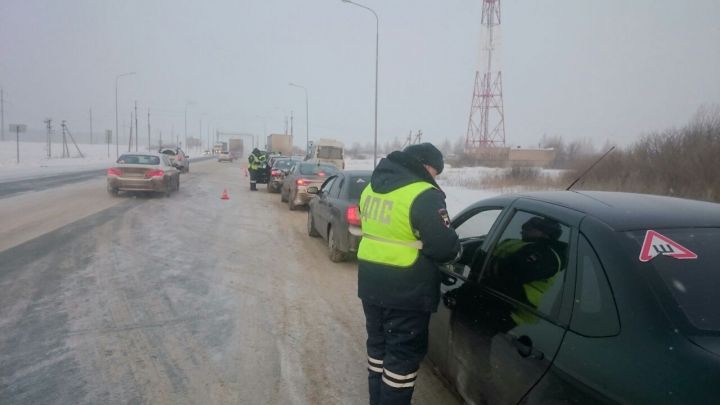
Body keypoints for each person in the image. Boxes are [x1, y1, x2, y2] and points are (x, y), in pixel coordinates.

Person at [357, 143, 461, 405]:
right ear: (425, 165)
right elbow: (444, 247)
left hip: (371, 286)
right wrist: (457, 251)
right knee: (401, 364)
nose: (434, 177)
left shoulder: (371, 187)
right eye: (434, 171)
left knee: (378, 353)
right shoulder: (424, 193)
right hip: (406, 292)